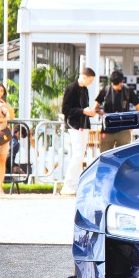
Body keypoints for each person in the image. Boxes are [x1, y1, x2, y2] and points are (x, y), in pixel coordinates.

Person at [61, 67, 99, 195]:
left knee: (80, 154)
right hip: (74, 125)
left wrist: (89, 112)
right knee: (77, 154)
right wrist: (83, 111)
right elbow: (65, 109)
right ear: (84, 77)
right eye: (91, 80)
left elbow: (84, 107)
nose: (91, 83)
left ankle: (75, 184)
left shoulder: (84, 90)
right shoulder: (71, 89)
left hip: (83, 124)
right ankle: (68, 184)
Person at [95, 70, 139, 151]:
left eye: (121, 82)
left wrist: (133, 124)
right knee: (105, 155)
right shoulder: (106, 90)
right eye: (118, 84)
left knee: (123, 155)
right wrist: (104, 114)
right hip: (107, 130)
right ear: (112, 83)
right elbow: (95, 108)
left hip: (124, 130)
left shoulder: (127, 91)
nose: (120, 85)